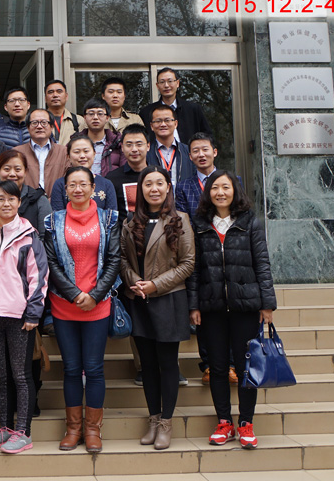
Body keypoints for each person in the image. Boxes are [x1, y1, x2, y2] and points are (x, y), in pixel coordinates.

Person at [188, 171, 276, 450]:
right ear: (208, 193)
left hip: (245, 306)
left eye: (226, 187)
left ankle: (246, 423)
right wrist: (193, 305)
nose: (220, 192)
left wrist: (267, 303)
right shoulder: (199, 224)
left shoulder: (249, 222)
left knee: (245, 367)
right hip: (211, 306)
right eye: (215, 187)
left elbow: (262, 263)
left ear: (235, 190)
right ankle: (224, 422)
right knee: (217, 367)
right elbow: (194, 269)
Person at [44, 167, 120, 453]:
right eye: (72, 185)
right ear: (65, 189)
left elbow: (114, 260)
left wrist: (95, 295)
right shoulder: (53, 221)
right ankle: (73, 428)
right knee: (72, 369)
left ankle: (92, 429)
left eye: (83, 184)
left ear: (93, 188)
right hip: (64, 305)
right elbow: (51, 262)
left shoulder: (108, 219)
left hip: (98, 305)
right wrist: (75, 294)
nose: (78, 189)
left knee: (95, 368)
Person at [119, 166, 195, 450]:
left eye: (159, 183)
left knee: (167, 363)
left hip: (168, 299)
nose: (154, 188)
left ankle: (166, 422)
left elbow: (188, 263)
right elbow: (122, 259)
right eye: (148, 183)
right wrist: (136, 282)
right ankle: (153, 418)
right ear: (140, 189)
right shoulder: (130, 222)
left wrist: (155, 285)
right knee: (148, 365)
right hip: (139, 299)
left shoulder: (180, 219)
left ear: (168, 187)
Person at [0, 180, 48, 454]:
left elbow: (39, 277)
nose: (6, 203)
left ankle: (23, 432)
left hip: (19, 315)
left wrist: (33, 313)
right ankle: (5, 428)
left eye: (11, 199)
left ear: (19, 203)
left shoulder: (29, 235)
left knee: (21, 374)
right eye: (1, 199)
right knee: (0, 375)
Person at [175, 132, 235, 386]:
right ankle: (209, 364)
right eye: (196, 151)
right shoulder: (183, 187)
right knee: (204, 313)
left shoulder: (232, 181)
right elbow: (182, 221)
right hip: (198, 255)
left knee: (230, 310)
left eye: (205, 149)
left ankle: (232, 364)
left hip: (229, 254)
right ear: (190, 156)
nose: (201, 154)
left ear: (214, 152)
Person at [0, 150, 52, 239]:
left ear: (25, 172)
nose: (12, 174)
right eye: (6, 169)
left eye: (17, 169)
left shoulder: (39, 200)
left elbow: (46, 238)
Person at [140, 67, 212, 145]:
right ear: (157, 86)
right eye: (162, 82)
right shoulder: (147, 112)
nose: (166, 85)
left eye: (170, 81)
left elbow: (207, 136)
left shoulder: (193, 109)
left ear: (177, 83)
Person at [50, 135, 118, 212]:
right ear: (68, 156)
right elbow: (58, 215)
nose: (82, 156)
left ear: (94, 153)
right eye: (77, 152)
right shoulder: (60, 184)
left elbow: (111, 216)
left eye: (86, 151)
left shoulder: (106, 184)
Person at [15, 109, 68, 199]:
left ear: (52, 127)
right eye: (34, 123)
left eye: (44, 123)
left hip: (57, 203)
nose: (39, 126)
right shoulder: (17, 152)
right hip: (25, 203)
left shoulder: (64, 152)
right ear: (28, 127)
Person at [106, 124, 150, 224]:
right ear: (122, 147)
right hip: (125, 232)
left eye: (139, 144)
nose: (134, 149)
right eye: (129, 145)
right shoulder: (112, 179)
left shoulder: (158, 175)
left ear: (148, 146)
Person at [145, 103, 195, 189]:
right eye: (158, 121)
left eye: (167, 120)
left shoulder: (188, 151)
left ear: (175, 124)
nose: (163, 124)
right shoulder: (147, 153)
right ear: (151, 126)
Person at [83, 98, 125, 177]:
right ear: (85, 118)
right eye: (91, 114)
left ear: (107, 118)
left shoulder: (117, 144)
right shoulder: (75, 143)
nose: (95, 117)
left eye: (100, 114)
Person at [44, 80, 85, 146]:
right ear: (45, 98)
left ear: (66, 96)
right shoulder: (37, 121)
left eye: (59, 91)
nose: (55, 95)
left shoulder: (79, 121)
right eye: (50, 92)